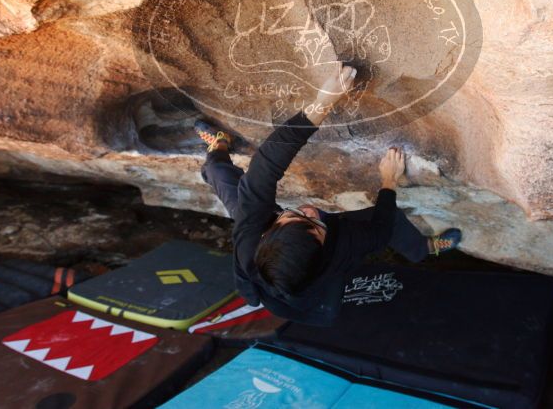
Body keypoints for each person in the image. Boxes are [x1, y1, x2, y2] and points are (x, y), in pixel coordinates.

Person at [196, 66, 461, 325]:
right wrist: (389, 179)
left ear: (268, 234)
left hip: (262, 270)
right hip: (313, 304)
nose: (309, 208)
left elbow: (267, 163)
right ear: (323, 247)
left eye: (296, 215)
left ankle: (218, 146)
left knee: (223, 177)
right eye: (314, 223)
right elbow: (382, 227)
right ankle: (423, 249)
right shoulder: (341, 249)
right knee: (393, 220)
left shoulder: (250, 237)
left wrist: (322, 103)